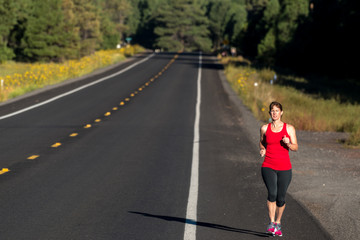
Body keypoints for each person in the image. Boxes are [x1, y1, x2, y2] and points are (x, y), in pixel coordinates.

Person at [259, 101, 298, 237]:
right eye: (272, 111)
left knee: (281, 198)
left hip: (284, 168)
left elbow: (295, 147)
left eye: (277, 110)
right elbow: (262, 141)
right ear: (269, 113)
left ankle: (278, 222)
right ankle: (271, 223)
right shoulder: (265, 128)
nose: (274, 113)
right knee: (272, 193)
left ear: (281, 112)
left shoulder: (289, 128)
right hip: (268, 165)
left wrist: (288, 143)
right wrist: (263, 149)